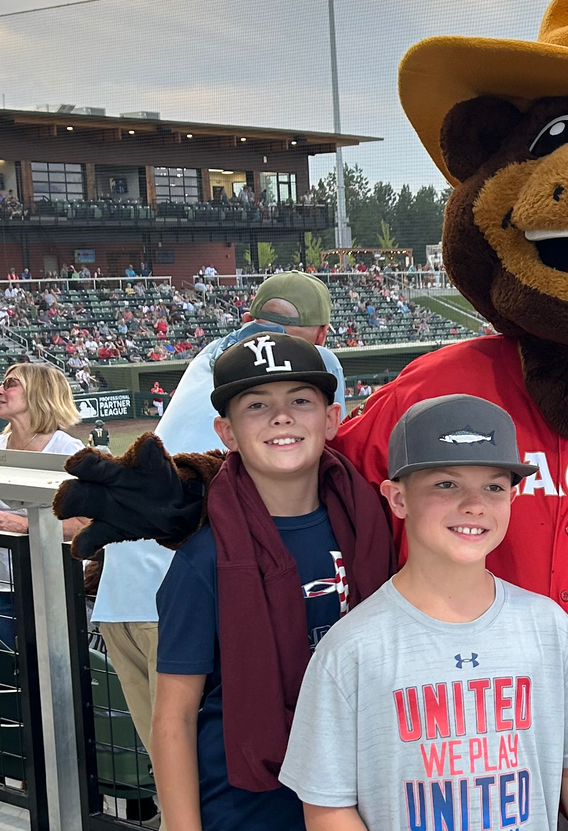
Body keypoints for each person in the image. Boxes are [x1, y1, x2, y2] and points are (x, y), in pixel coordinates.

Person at [279, 394, 568, 830]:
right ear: (397, 498)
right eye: (446, 484)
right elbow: (328, 805)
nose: (474, 504)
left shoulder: (547, 626)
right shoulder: (351, 649)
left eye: (493, 487)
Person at [91, 271, 351, 818]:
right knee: (215, 769)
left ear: (249, 317)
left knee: (177, 775)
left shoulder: (209, 355)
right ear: (323, 333)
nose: (280, 413)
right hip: (197, 588)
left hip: (122, 594)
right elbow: (330, 458)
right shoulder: (318, 362)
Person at [152, 333, 394, 831]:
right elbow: (173, 718)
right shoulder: (206, 559)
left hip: (361, 793)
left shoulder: (372, 524)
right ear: (227, 432)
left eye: (300, 401)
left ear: (332, 419)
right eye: (257, 405)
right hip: (248, 807)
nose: (281, 417)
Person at [0, 364, 90, 649]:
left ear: (38, 393)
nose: (1, 390)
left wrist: (26, 526)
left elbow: (88, 524)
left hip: (48, 591)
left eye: (11, 384)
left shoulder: (69, 453)